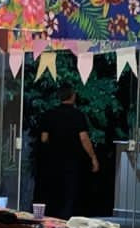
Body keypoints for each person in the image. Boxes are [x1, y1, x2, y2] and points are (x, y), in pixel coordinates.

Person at [37, 83, 98, 219]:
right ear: (73, 96)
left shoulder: (49, 114)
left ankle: (53, 219)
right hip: (72, 161)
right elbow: (84, 138)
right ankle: (67, 220)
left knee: (54, 192)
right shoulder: (78, 115)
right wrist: (93, 157)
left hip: (53, 160)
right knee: (70, 194)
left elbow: (44, 138)